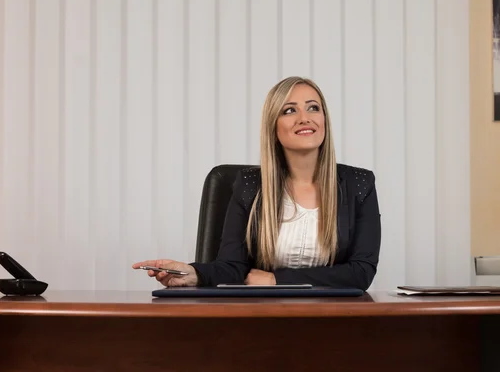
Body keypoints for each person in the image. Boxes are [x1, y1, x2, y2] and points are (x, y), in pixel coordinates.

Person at [133, 76, 381, 290]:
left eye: (313, 108)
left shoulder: (358, 184)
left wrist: (277, 280)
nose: (305, 118)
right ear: (273, 128)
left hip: (338, 318)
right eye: (290, 110)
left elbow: (360, 273)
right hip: (263, 316)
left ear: (324, 120)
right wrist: (193, 274)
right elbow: (232, 267)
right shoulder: (251, 186)